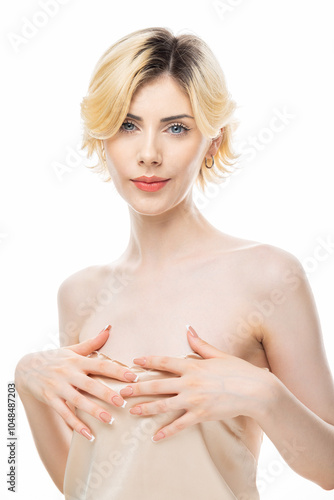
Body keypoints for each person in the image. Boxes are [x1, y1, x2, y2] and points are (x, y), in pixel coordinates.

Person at [15, 26, 334, 500]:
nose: (148, 154)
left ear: (212, 139)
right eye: (127, 124)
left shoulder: (268, 276)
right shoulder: (79, 294)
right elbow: (85, 482)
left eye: (176, 128)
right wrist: (24, 382)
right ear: (102, 134)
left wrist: (265, 397)